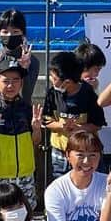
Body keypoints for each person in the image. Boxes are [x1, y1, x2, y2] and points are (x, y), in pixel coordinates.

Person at [0, 60, 42, 210]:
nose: (10, 85)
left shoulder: (27, 109)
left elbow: (36, 141)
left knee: (27, 211)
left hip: (25, 173)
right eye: (6, 81)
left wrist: (36, 128)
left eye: (15, 81)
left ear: (21, 83)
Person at [42, 51, 104, 181]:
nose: (51, 80)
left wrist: (79, 128)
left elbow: (97, 124)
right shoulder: (52, 93)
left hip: (83, 153)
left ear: (67, 82)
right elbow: (46, 120)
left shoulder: (88, 94)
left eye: (54, 78)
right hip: (59, 152)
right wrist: (61, 125)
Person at [0, 8, 38, 103]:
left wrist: (24, 69)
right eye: (5, 32)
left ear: (23, 34)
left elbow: (26, 95)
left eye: (15, 31)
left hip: (22, 113)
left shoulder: (32, 60)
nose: (10, 35)